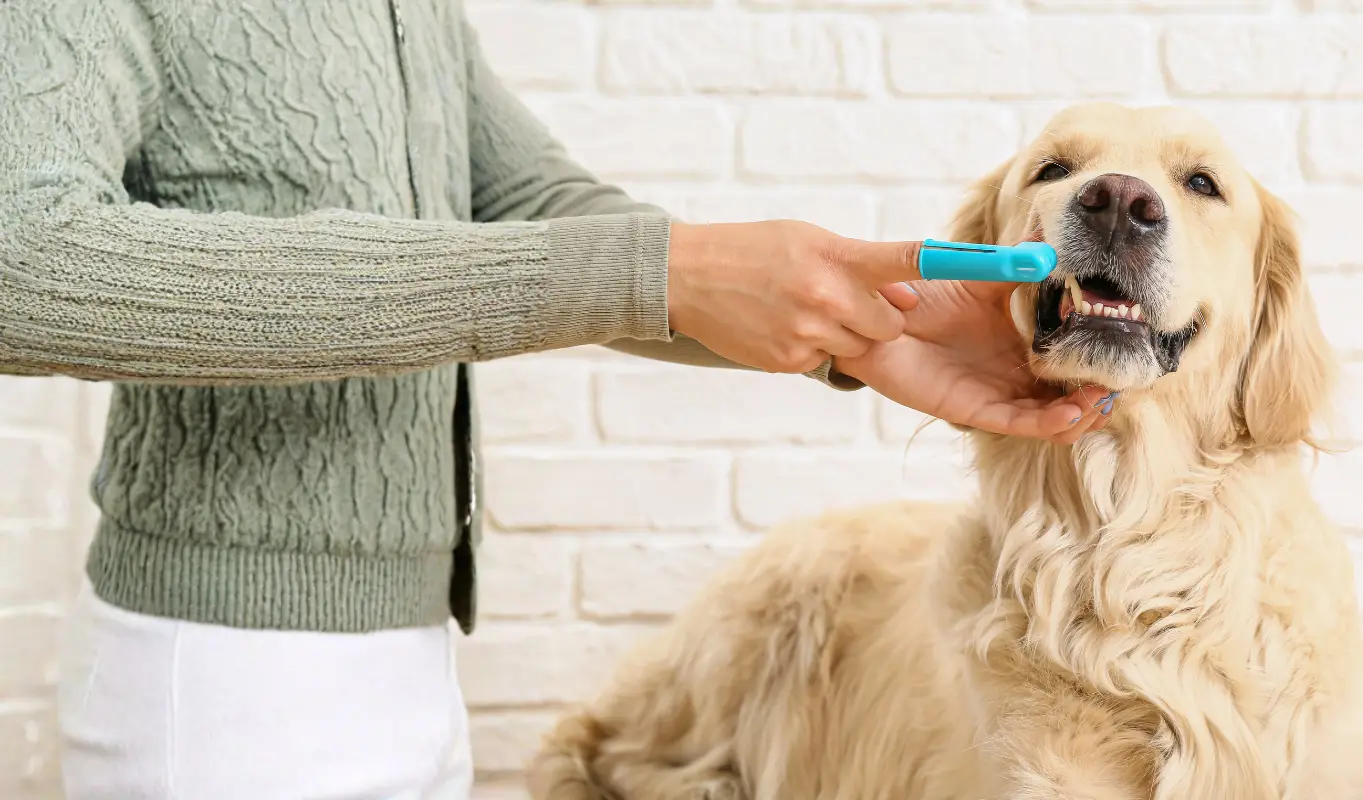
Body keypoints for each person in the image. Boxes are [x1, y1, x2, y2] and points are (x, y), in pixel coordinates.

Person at [0, 1, 1111, 796]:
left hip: (410, 656)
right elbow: (23, 257)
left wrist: (865, 326)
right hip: (220, 675)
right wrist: (664, 272)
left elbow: (539, 208)